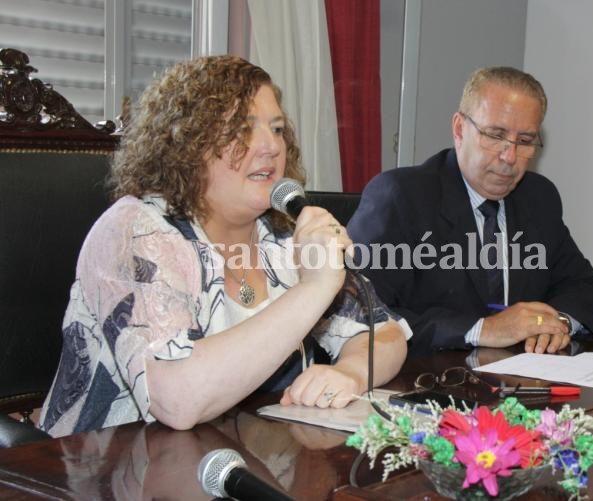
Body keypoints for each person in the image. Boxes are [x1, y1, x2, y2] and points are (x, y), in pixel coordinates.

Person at [38, 55, 410, 437]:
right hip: (104, 471)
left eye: (278, 129)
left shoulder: (282, 234)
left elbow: (386, 333)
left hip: (242, 459)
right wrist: (313, 288)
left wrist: (348, 372)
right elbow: (178, 400)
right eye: (243, 130)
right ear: (187, 144)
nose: (271, 147)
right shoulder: (134, 232)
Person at [347, 66, 593, 356]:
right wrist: (483, 328)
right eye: (495, 135)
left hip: (523, 378)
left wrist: (556, 324)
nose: (509, 157)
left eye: (525, 141)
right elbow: (360, 311)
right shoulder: (401, 197)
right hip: (428, 379)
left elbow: (584, 287)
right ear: (459, 129)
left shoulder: (538, 197)